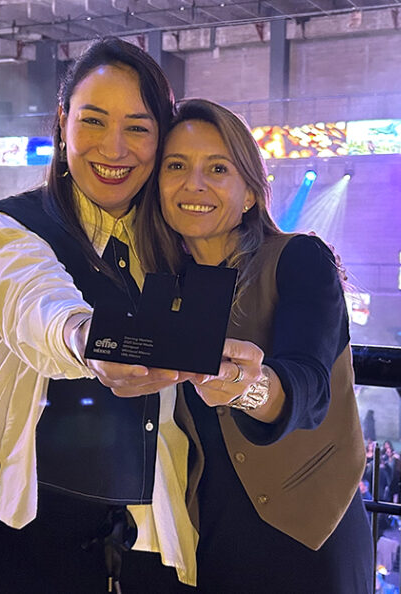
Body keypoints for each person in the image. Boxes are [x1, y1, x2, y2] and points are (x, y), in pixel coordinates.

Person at [0, 38, 197, 594]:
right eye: (93, 121)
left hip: (152, 532)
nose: (114, 148)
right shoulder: (11, 227)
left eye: (137, 127)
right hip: (31, 531)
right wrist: (87, 339)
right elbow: (37, 302)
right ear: (63, 122)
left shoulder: (176, 244)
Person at [138, 98, 372, 592]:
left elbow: (308, 383)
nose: (194, 183)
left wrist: (251, 387)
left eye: (217, 168)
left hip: (303, 537)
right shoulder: (161, 284)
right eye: (176, 166)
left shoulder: (298, 258)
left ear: (249, 192)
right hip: (206, 536)